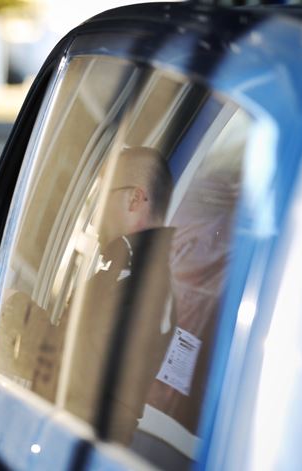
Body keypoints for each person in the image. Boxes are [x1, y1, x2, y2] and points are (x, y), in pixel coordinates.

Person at [67, 146, 175, 443]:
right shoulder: (125, 271)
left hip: (91, 444)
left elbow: (82, 368)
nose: (95, 218)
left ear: (134, 198)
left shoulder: (150, 282)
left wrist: (13, 309)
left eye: (101, 199)